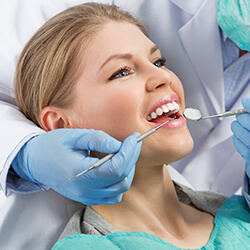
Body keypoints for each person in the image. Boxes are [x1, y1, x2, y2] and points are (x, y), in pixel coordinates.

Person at [0, 0, 249, 248]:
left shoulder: (237, 214)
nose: (163, 76)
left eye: (159, 62)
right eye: (122, 72)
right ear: (61, 124)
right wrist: (26, 155)